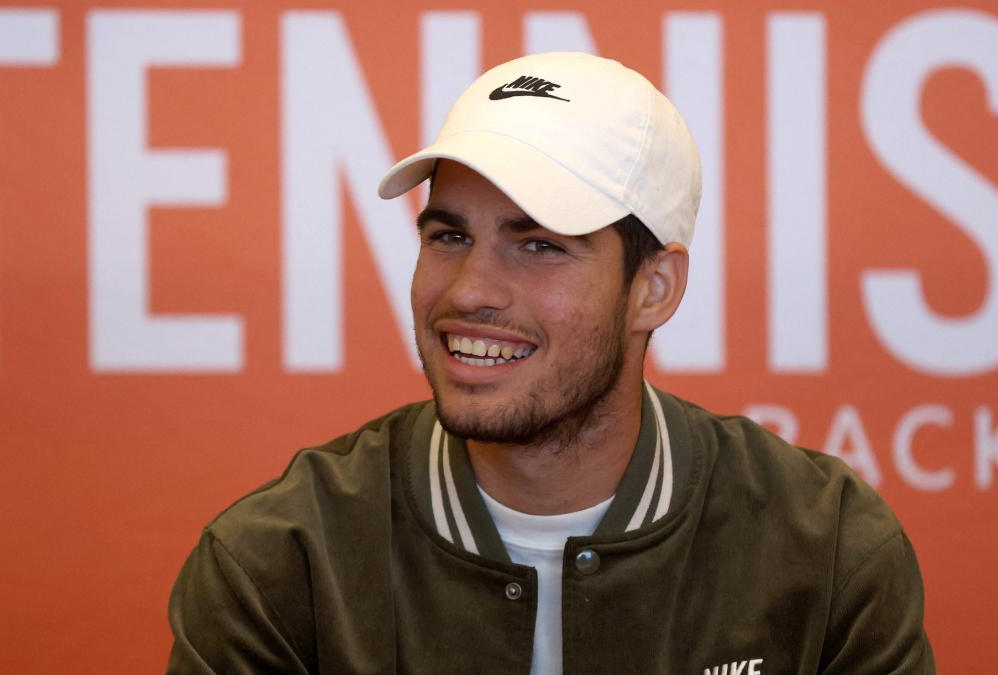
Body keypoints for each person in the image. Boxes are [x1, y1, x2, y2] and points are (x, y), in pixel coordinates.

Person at [167, 51, 934, 674]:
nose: (470, 291)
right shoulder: (281, 561)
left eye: (538, 245)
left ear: (653, 288)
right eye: (449, 236)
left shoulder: (827, 550)